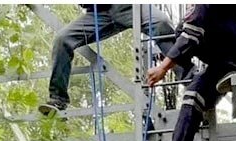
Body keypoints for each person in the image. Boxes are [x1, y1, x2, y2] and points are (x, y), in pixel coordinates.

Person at [147, 6, 236, 141]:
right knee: (193, 94)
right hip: (224, 57)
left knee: (187, 26)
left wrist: (164, 67)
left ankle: (231, 65)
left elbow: (193, 30)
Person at [39, 5, 187, 116]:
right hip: (97, 13)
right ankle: (58, 99)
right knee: (62, 39)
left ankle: (192, 80)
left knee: (161, 23)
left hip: (128, 6)